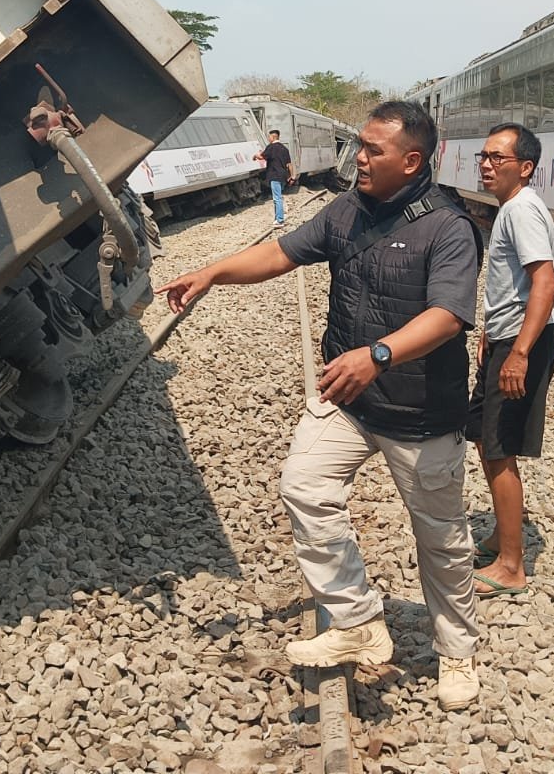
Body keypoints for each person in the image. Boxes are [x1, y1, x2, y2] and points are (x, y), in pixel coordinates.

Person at [159, 101, 483, 710]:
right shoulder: (347, 212)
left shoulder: (448, 227)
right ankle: (357, 619)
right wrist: (212, 271)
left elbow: (448, 317)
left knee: (440, 539)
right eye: (358, 145)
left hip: (419, 413)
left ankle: (458, 652)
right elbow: (280, 254)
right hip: (349, 401)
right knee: (305, 488)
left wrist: (377, 354)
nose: (359, 157)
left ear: (411, 161)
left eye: (374, 150)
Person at [466, 123, 554, 597]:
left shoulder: (521, 210)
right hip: (506, 336)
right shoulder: (511, 209)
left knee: (499, 446)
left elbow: (544, 283)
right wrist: (491, 330)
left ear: (524, 168)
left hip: (524, 342)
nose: (486, 164)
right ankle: (503, 535)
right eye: (483, 156)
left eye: (497, 158)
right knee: (484, 438)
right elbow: (514, 285)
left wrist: (519, 351)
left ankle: (511, 565)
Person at [255, 129, 296, 226]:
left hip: (274, 175)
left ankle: (280, 220)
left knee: (277, 198)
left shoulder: (271, 147)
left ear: (273, 137)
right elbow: (289, 164)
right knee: (278, 197)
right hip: (283, 176)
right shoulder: (284, 149)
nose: (268, 138)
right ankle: (277, 217)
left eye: (269, 137)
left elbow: (262, 157)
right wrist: (292, 177)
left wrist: (255, 155)